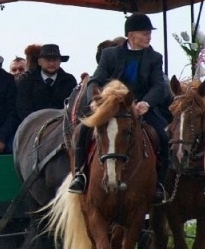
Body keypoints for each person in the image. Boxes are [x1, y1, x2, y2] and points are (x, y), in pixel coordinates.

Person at [68, 14, 172, 203]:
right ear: (131, 35)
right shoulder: (110, 54)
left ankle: (160, 185)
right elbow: (96, 80)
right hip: (110, 108)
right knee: (82, 130)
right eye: (145, 33)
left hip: (141, 108)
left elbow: (158, 86)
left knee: (163, 137)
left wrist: (146, 103)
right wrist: (95, 99)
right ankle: (80, 175)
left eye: (149, 33)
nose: (149, 37)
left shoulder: (155, 57)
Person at [16, 43, 77, 118]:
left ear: (60, 61)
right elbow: (23, 109)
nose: (51, 63)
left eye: (55, 60)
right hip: (33, 124)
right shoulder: (26, 81)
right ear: (39, 62)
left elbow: (73, 106)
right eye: (48, 60)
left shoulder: (69, 81)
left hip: (62, 125)